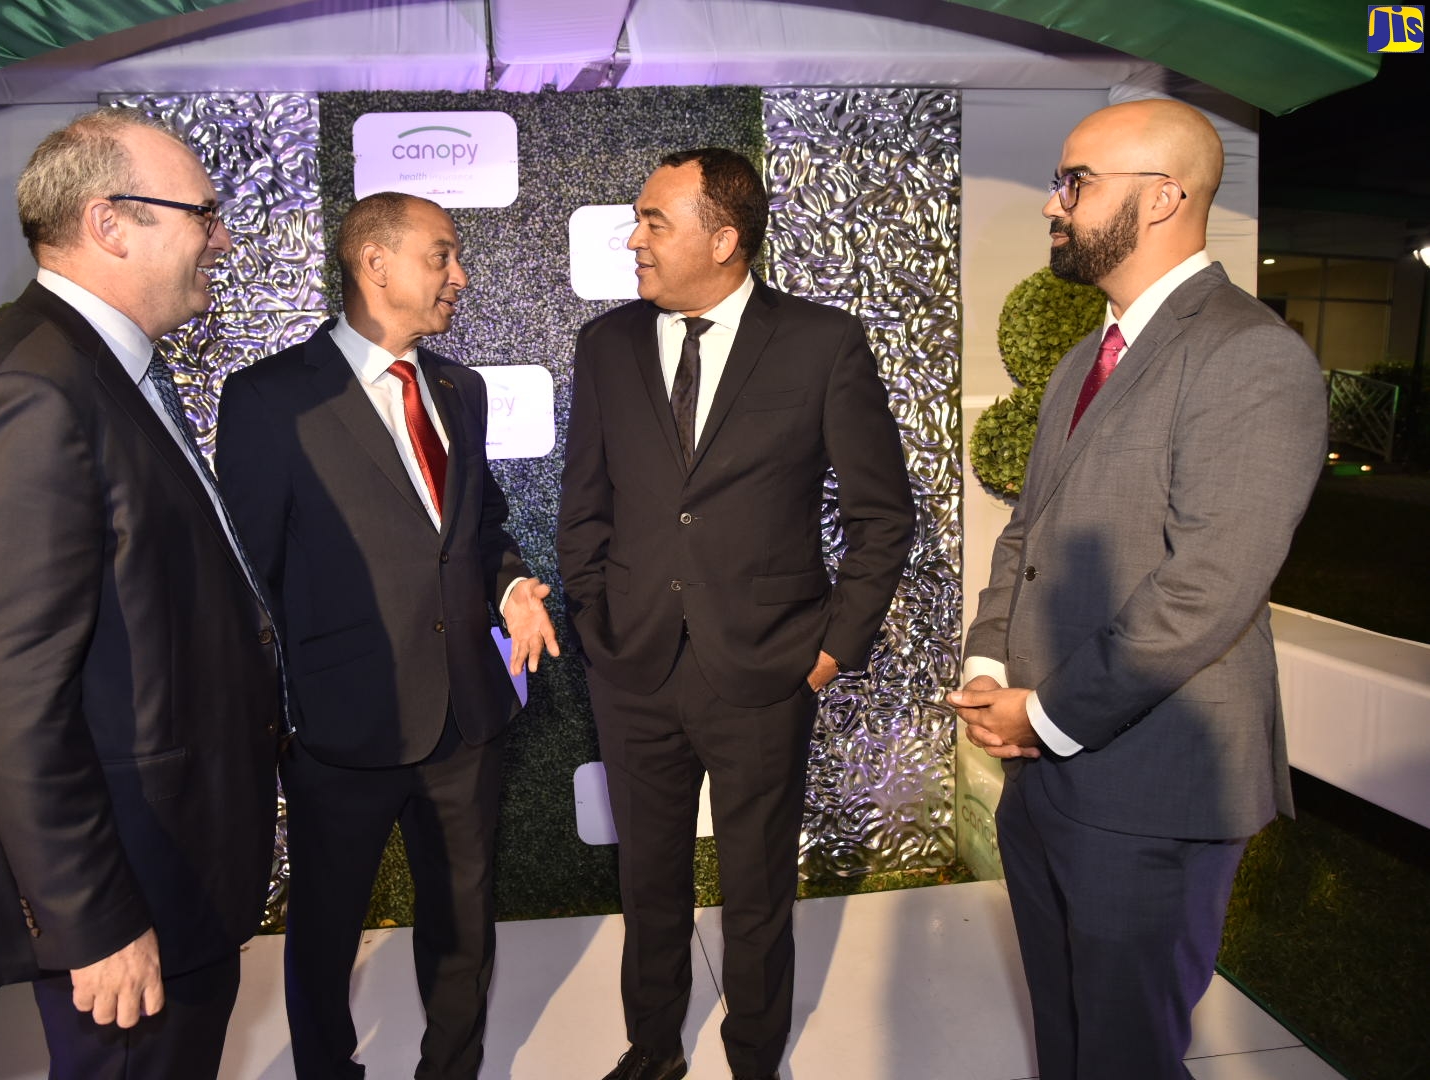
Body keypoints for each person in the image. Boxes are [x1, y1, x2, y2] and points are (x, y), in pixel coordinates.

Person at [948, 99, 1329, 1080]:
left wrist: (1049, 715)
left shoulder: (1251, 355)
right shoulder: (1089, 355)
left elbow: (1208, 584)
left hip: (1153, 789)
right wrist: (993, 664)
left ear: (1164, 198)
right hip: (1048, 780)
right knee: (1071, 1043)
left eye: (1076, 181)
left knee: (1126, 1055)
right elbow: (1027, 534)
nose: (1051, 203)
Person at [0, 107, 282, 1079]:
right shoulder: (28, 394)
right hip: (130, 892)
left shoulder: (102, 372)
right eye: (203, 213)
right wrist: (94, 918)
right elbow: (8, 699)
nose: (222, 236)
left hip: (175, 863)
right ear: (110, 222)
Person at [557, 147, 916, 1080]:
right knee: (649, 883)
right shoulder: (605, 346)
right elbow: (585, 503)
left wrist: (836, 646)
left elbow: (882, 516)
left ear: (724, 238)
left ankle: (755, 1058)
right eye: (636, 220)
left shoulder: (821, 344)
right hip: (632, 663)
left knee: (757, 889)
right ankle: (651, 1051)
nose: (633, 237)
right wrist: (594, 619)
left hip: (768, 667)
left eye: (653, 222)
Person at [215, 191, 558, 1080]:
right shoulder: (269, 400)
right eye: (442, 255)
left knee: (462, 927)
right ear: (376, 263)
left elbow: (479, 531)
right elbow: (247, 582)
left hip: (465, 722)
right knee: (325, 936)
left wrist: (513, 583)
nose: (460, 275)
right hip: (338, 730)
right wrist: (277, 720)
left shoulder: (460, 388)